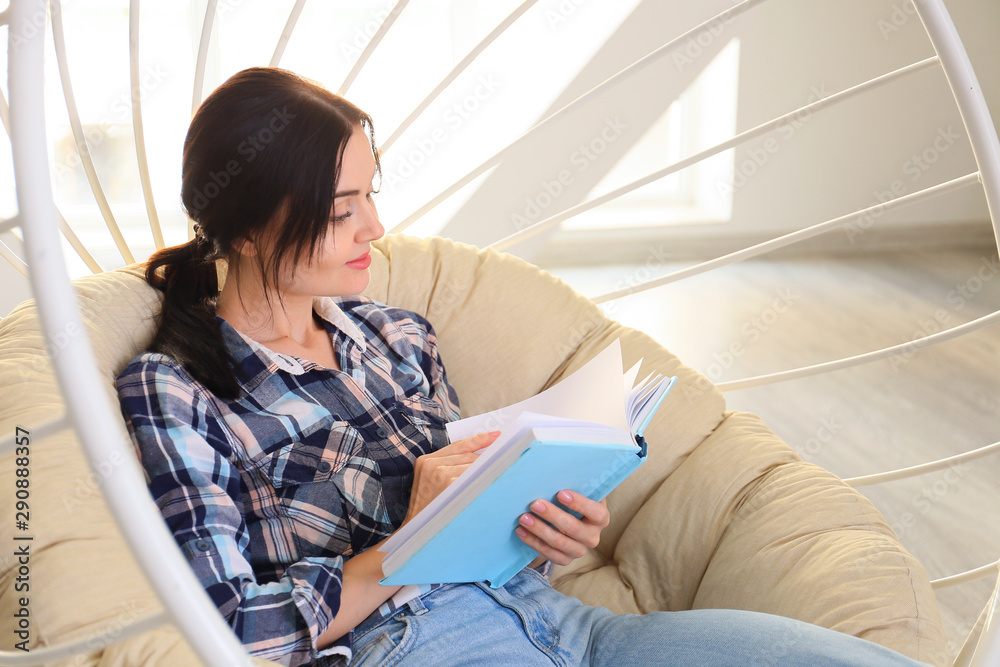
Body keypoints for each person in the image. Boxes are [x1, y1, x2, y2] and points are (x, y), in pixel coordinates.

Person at [115, 67, 926, 667]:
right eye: (341, 211)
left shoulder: (400, 335)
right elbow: (235, 629)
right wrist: (411, 540)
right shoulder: (176, 389)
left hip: (568, 624)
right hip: (414, 646)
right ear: (248, 231)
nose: (376, 227)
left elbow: (490, 532)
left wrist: (545, 528)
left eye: (371, 195)